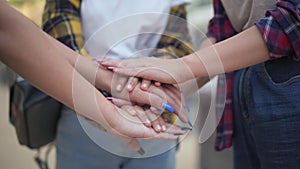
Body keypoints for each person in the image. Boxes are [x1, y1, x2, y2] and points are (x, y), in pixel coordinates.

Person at [101, 0, 300, 168]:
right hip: (243, 79)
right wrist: (167, 89)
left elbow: (292, 20)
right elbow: (224, 29)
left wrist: (183, 66)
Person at [0, 0, 187, 155]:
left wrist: (148, 79)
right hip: (80, 112)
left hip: (152, 113)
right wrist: (117, 92)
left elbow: (177, 44)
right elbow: (58, 36)